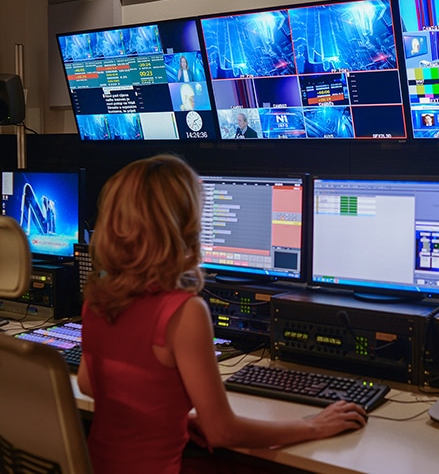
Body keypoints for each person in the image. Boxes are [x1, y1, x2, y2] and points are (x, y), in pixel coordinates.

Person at [77, 154, 367, 474]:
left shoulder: (97, 301)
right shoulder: (183, 313)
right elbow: (221, 432)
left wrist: (170, 417)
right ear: (183, 225)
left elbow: (92, 386)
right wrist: (313, 425)